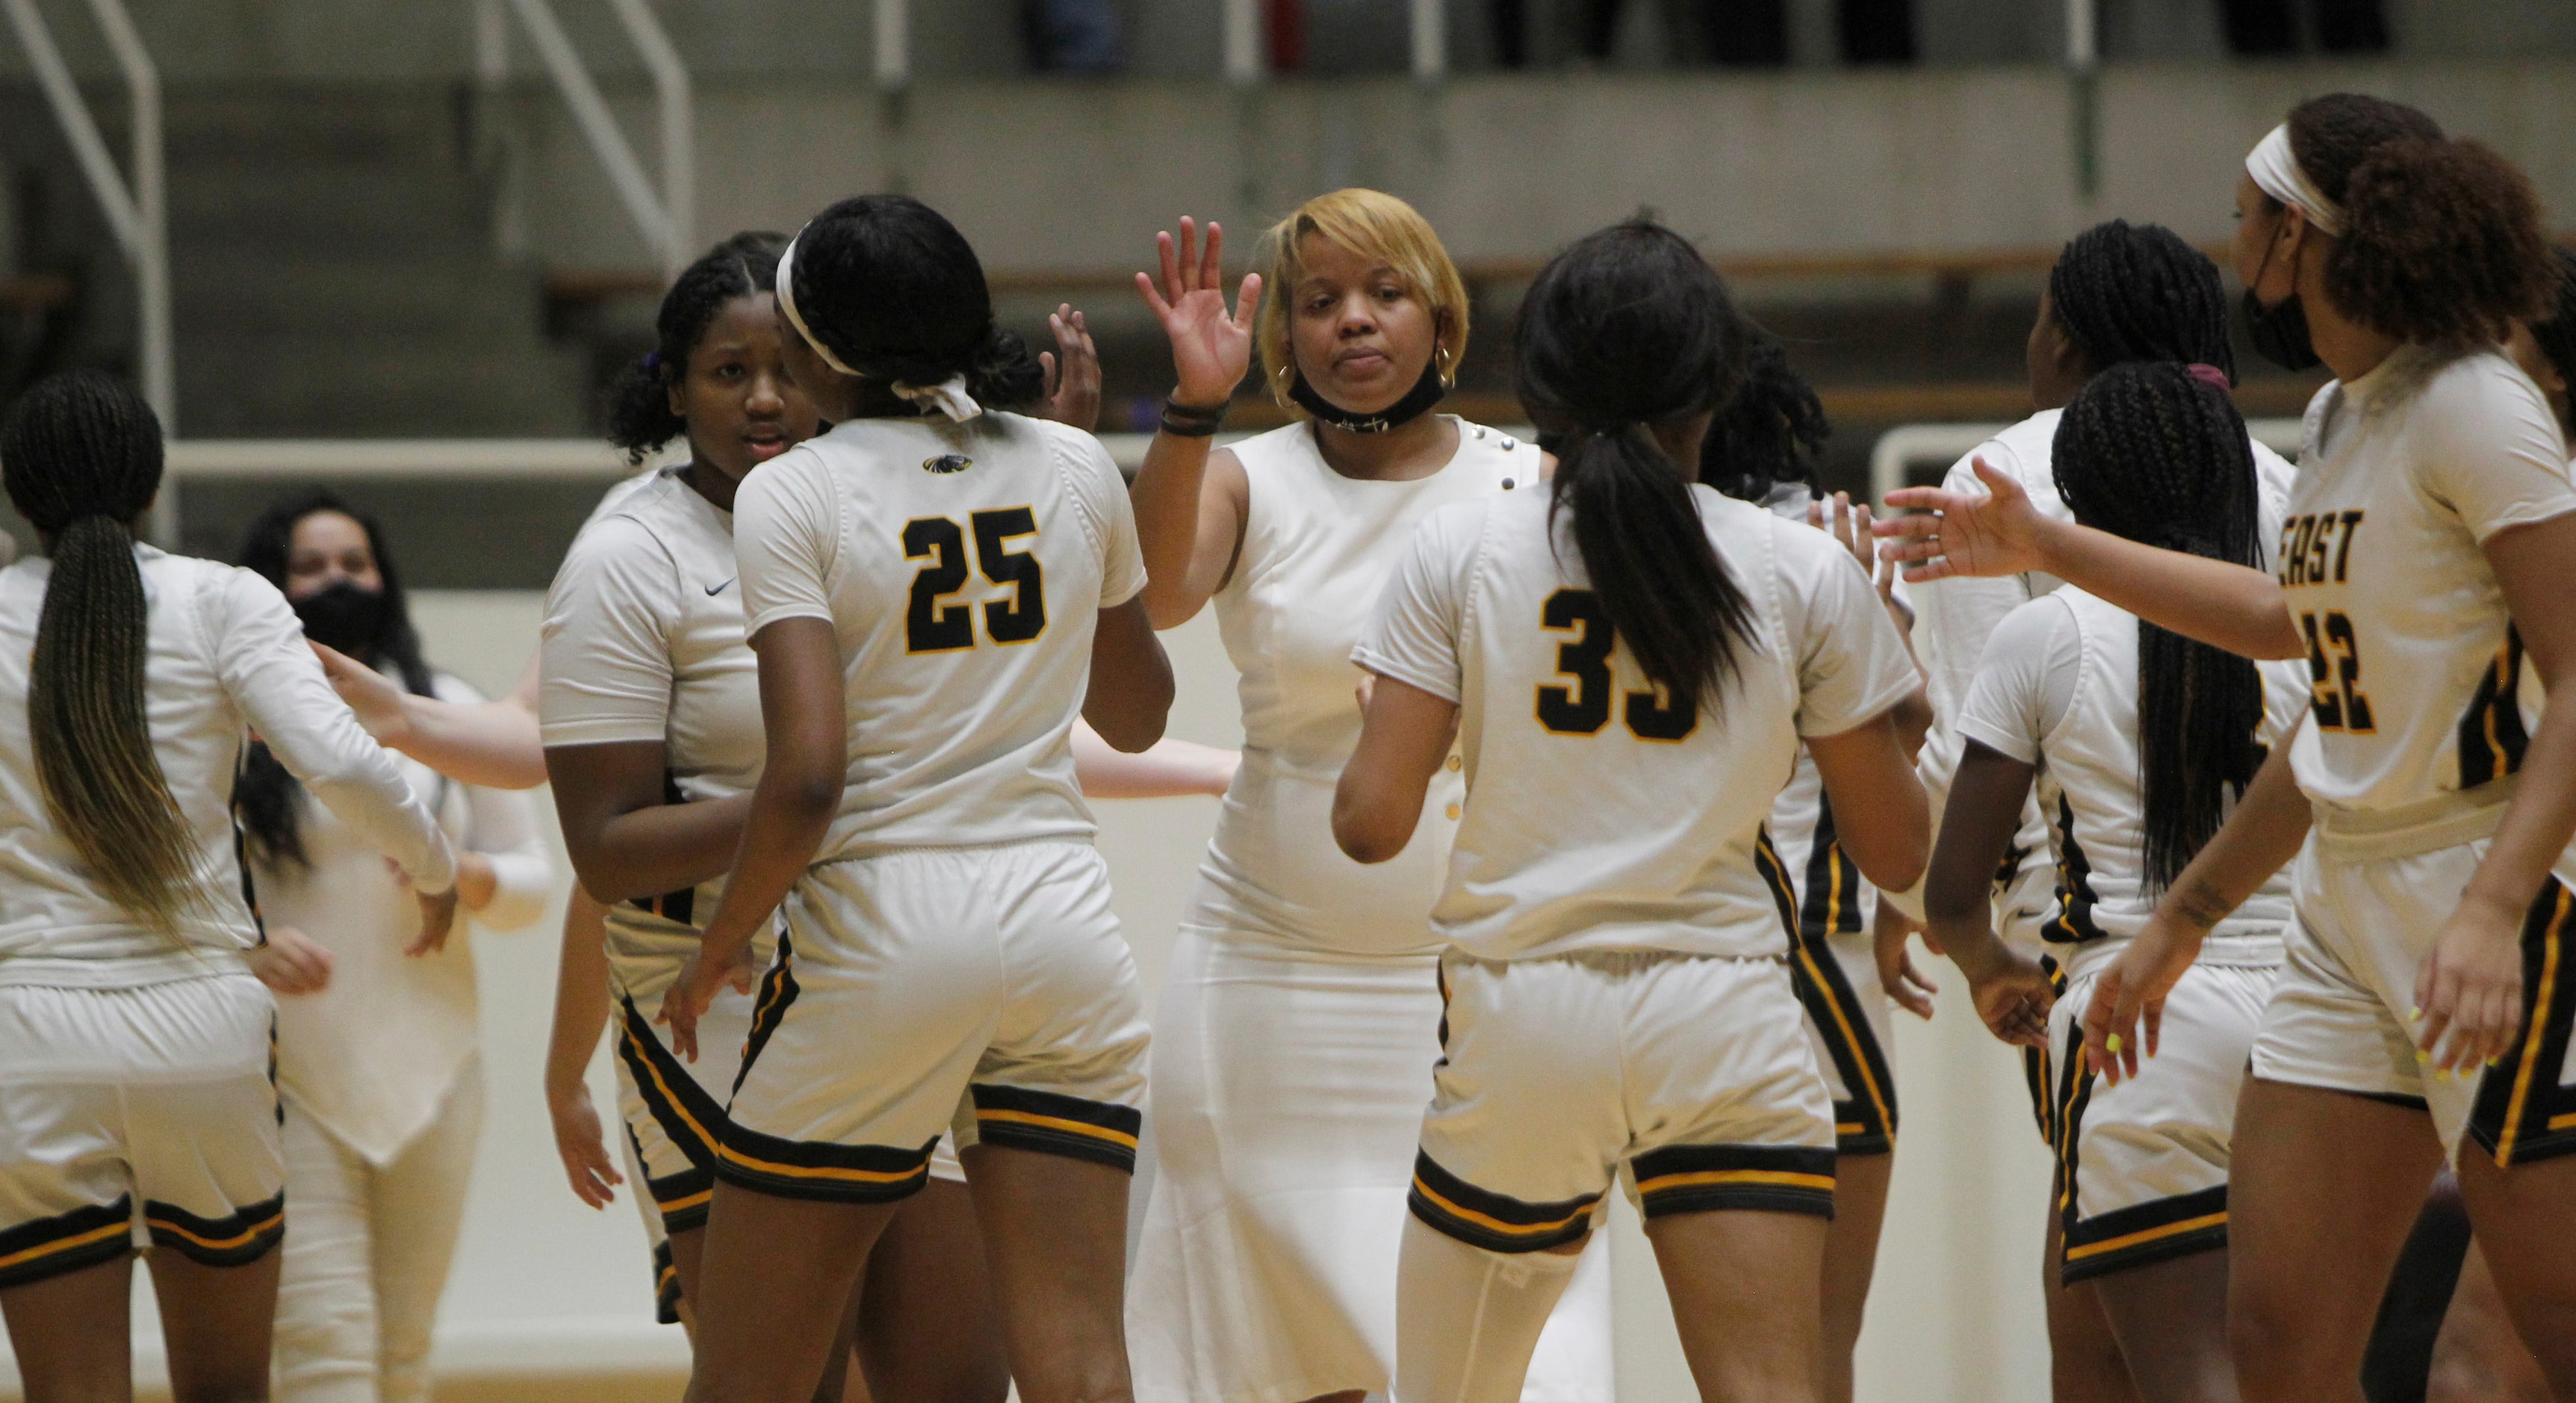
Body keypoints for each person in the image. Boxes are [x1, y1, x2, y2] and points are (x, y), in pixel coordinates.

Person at [1878, 94, 2576, 1395]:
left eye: (2247, 215)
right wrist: (2177, 917)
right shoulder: (2333, 419)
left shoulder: (2475, 408)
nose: (2232, 241)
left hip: (2478, 895)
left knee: (2546, 1320)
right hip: (2337, 910)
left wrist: (2489, 909)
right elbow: (2289, 639)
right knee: (2272, 1344)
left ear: (2304, 236)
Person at [1334, 220, 1927, 1403]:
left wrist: (1403, 724)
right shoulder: (1803, 568)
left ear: (1539, 385)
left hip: (1523, 1010)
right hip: (1725, 1007)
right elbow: (1898, 847)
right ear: (1715, 385)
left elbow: (1369, 822)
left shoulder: (1458, 548)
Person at [657, 193, 1174, 1403]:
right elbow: (1140, 713)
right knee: (1082, 1366)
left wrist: (717, 946)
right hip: (1064, 930)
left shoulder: (793, 490)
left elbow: (808, 775)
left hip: (887, 936)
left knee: (747, 1379)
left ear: (809, 344)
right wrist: (1071, 507)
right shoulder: (1073, 461)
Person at [1120, 189, 1614, 1403]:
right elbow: (1160, 591)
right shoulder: (1245, 476)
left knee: (1510, 1371)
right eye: (1319, 299)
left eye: (1382, 292)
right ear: (1281, 336)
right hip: (1264, 985)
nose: (1352, 321)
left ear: (1436, 315)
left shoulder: (1531, 484)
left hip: (1479, 993)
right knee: (1281, 1357)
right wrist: (1190, 404)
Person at [0, 371, 457, 1402]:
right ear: (152, 485)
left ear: (17, 492)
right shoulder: (223, 597)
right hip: (204, 1032)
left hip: (27, 1036)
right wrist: (433, 869)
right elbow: (340, 763)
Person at [1905, 216, 2296, 1403]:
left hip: (2115, 990)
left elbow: (1948, 813)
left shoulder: (2002, 492)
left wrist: (1974, 951)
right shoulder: (2301, 496)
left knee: (2175, 1361)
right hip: (2317, 992)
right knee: (2114, 1340)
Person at [235, 492, 553, 1403]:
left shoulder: (444, 711)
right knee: (324, 1351)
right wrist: (245, 950)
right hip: (282, 1076)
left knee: (405, 1354)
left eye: (354, 564)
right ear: (271, 587)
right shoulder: (225, 724)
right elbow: (167, 887)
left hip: (438, 1074)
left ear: (386, 579)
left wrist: (459, 874)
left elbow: (531, 886)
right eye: (311, 567)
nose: (337, 582)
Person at [1695, 336, 1931, 1403]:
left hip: (1659, 953)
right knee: (1815, 1344)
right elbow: (1905, 733)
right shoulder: (1818, 540)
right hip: (1804, 958)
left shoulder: (1606, 533)